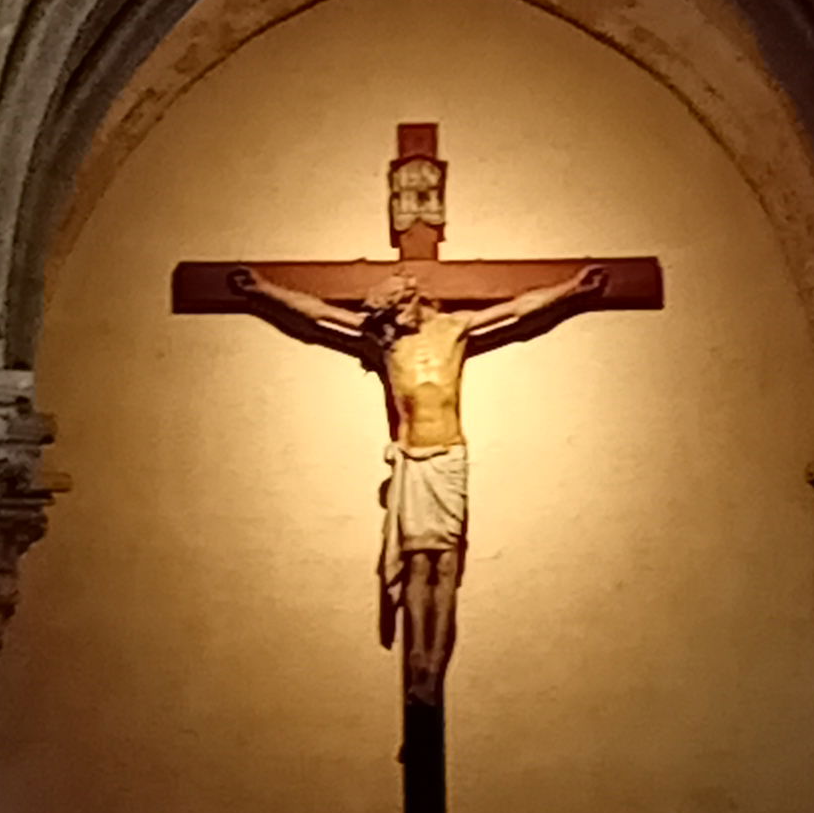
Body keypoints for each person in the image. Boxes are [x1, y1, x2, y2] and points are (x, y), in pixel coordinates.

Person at [227, 260, 607, 700]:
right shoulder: (385, 338)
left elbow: (519, 309)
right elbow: (318, 314)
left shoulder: (454, 328)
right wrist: (263, 289)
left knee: (446, 567)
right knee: (417, 565)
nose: (390, 318)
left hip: (448, 458)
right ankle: (416, 661)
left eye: (394, 308)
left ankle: (434, 668)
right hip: (413, 459)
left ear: (413, 299)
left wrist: (572, 288)